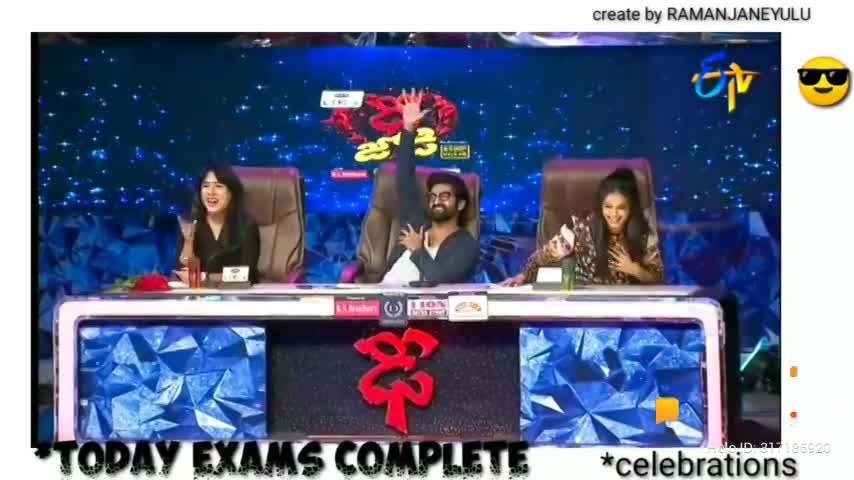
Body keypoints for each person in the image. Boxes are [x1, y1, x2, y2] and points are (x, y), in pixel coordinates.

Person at [380, 89, 480, 285]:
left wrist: (418, 250)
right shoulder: (416, 223)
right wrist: (409, 129)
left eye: (444, 196)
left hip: (420, 303)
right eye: (433, 196)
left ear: (460, 204)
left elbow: (440, 282)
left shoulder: (465, 245)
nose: (437, 201)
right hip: (380, 296)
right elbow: (404, 177)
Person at [502, 168, 664, 286]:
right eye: (608, 207)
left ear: (630, 209)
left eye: (621, 207)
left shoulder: (644, 235)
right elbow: (543, 256)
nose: (614, 214)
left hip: (627, 306)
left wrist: (635, 270)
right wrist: (523, 276)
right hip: (585, 302)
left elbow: (658, 279)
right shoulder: (582, 230)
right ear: (601, 206)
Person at [175, 164, 261, 284]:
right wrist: (189, 242)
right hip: (199, 294)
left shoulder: (246, 225)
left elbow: (247, 273)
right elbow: (182, 271)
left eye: (218, 186)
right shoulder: (192, 223)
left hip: (236, 293)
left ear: (232, 192)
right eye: (206, 186)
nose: (211, 192)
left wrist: (206, 278)